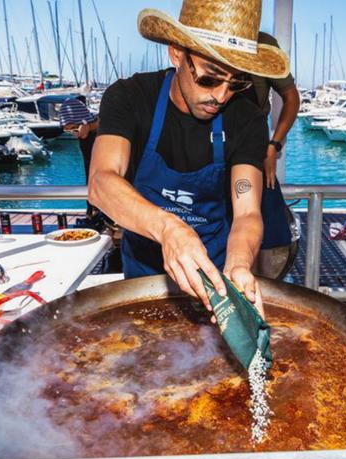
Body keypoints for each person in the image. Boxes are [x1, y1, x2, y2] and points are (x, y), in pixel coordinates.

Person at [88, 0, 290, 314]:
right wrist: (169, 228)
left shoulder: (247, 118)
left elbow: (247, 212)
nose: (221, 97)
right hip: (144, 276)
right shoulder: (130, 97)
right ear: (177, 53)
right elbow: (101, 182)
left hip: (216, 277)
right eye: (210, 78)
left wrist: (238, 266)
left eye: (236, 82)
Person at [240, 32, 302, 278]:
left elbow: (291, 96)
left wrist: (273, 145)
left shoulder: (264, 44)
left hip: (255, 151)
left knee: (270, 237)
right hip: (213, 152)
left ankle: (263, 292)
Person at [58, 97, 100, 219]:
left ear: (84, 123)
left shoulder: (97, 137)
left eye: (74, 129)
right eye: (68, 131)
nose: (73, 134)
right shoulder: (84, 137)